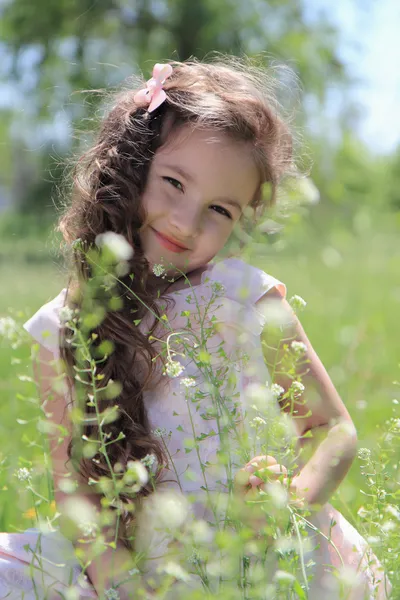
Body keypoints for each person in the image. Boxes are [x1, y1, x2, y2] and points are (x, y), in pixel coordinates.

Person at [0, 58, 391, 600]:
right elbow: (80, 502)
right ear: (130, 166)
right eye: (173, 183)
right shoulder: (62, 330)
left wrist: (288, 501)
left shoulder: (243, 298)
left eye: (220, 210)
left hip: (258, 556)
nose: (187, 222)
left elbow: (333, 430)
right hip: (135, 573)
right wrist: (130, 588)